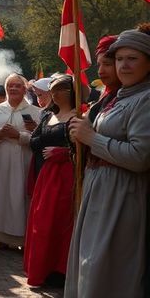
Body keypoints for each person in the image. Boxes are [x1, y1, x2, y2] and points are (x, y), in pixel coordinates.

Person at [66, 26, 150, 298]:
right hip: (98, 191)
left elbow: (139, 158)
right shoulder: (117, 98)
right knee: (89, 268)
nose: (123, 65)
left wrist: (91, 139)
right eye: (119, 59)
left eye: (132, 58)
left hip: (123, 195)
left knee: (109, 273)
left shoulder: (145, 99)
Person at [23, 75, 75, 288]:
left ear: (70, 92)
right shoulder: (47, 116)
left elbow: (84, 146)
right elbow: (35, 141)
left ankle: (61, 270)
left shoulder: (78, 116)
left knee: (63, 223)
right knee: (42, 222)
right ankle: (43, 268)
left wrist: (65, 152)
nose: (55, 93)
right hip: (46, 176)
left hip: (68, 176)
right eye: (53, 89)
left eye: (61, 89)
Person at [0, 73, 42, 249]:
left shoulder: (36, 112)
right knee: (0, 196)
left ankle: (23, 239)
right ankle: (1, 237)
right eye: (10, 85)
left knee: (21, 197)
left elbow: (40, 138)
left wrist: (19, 136)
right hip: (1, 160)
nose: (13, 89)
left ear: (25, 89)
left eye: (18, 85)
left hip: (24, 160)